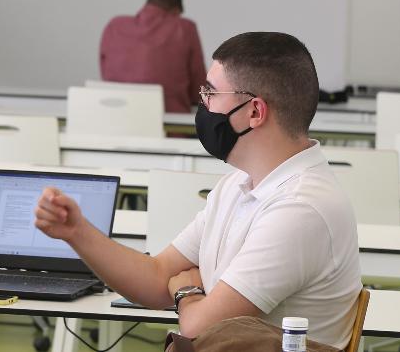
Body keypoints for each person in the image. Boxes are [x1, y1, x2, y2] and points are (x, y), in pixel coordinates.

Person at [37, 31, 361, 348]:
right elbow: (157, 276)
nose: (202, 103)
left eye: (211, 93)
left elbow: (199, 326)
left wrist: (187, 293)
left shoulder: (301, 208)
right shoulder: (237, 185)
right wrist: (77, 232)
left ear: (254, 112)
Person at [99, 0, 206, 114]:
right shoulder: (184, 27)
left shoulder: (115, 25)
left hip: (114, 118)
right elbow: (198, 80)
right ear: (175, 11)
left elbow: (105, 72)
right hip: (169, 123)